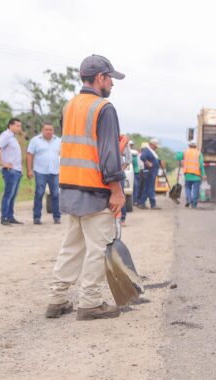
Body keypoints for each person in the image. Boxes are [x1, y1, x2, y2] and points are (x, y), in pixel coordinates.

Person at [45, 54, 126, 321]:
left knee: (72, 245)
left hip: (70, 187)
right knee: (98, 247)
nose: (112, 85)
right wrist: (116, 190)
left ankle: (57, 299)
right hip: (95, 189)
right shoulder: (104, 108)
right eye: (111, 79)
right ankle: (90, 303)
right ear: (100, 78)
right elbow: (108, 154)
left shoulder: (69, 106)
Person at [27, 122, 62, 225]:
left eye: (50, 130)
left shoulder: (58, 141)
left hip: (55, 172)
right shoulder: (35, 141)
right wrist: (29, 170)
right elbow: (29, 155)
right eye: (46, 129)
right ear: (42, 130)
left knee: (56, 194)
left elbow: (62, 155)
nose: (49, 131)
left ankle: (57, 217)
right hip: (40, 172)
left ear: (53, 131)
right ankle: (36, 217)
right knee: (39, 193)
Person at [0, 118, 24, 226]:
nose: (19, 128)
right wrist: (2, 163)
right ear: (10, 125)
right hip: (10, 171)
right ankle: (4, 217)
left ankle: (10, 217)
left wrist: (20, 169)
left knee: (13, 195)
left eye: (20, 126)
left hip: (17, 171)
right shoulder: (6, 135)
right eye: (17, 126)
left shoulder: (13, 138)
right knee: (8, 195)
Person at [138, 138, 161, 210]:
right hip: (149, 172)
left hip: (152, 172)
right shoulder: (147, 150)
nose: (156, 147)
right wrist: (148, 163)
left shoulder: (151, 151)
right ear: (151, 144)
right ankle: (153, 204)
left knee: (147, 188)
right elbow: (142, 157)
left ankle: (142, 203)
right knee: (150, 188)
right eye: (155, 146)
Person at [182, 140, 205, 208]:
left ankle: (189, 199)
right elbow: (201, 164)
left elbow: (177, 157)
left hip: (187, 174)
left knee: (188, 188)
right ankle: (194, 204)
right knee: (195, 190)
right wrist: (203, 174)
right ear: (196, 146)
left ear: (189, 146)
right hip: (196, 175)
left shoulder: (185, 152)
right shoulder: (198, 153)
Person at [118, 134, 130, 224]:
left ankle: (122, 218)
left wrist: (121, 170)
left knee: (120, 195)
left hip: (117, 174)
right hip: (113, 173)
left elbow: (128, 160)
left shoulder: (123, 140)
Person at [129, 140, 140, 210]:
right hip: (130, 172)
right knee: (132, 186)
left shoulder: (134, 153)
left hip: (136, 172)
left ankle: (135, 200)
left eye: (132, 145)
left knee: (136, 186)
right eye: (130, 145)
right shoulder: (128, 153)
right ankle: (133, 200)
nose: (131, 146)